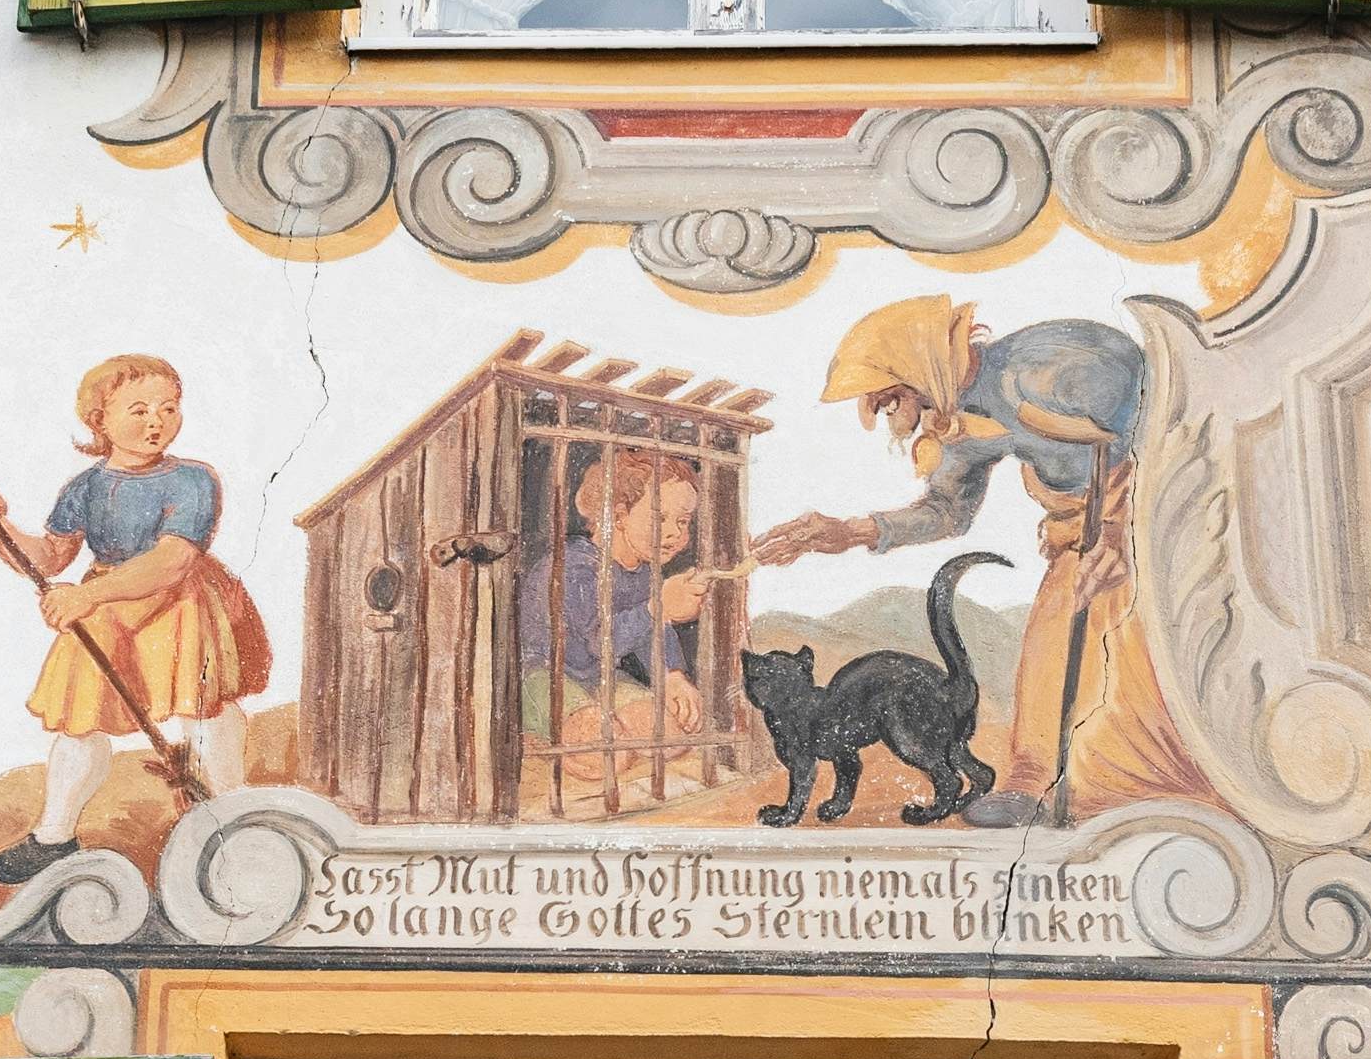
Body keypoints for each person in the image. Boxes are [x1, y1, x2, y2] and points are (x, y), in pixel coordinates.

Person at [747, 296, 1209, 825]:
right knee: (1049, 653)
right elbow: (948, 512)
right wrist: (849, 532)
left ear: (919, 367)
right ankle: (1033, 785)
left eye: (889, 399)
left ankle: (1138, 788)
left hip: (1157, 518)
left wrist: (1121, 534)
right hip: (1080, 538)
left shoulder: (1041, 372)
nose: (890, 417)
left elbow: (1159, 425)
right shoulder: (961, 422)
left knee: (1146, 659)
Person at [0, 353, 269, 884]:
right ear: (98, 420)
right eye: (140, 409)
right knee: (80, 716)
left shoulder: (193, 479)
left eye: (169, 409)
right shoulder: (84, 487)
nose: (157, 422)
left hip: (177, 603)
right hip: (103, 608)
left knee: (205, 710)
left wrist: (89, 599)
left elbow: (173, 559)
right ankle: (55, 834)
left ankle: (231, 820)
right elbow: (50, 559)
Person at [518, 450, 716, 809]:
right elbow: (601, 642)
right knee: (602, 755)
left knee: (670, 736)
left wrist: (671, 675)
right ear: (618, 515)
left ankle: (599, 723)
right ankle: (554, 733)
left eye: (684, 521)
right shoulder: (573, 567)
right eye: (661, 518)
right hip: (548, 675)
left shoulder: (642, 571)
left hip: (603, 676)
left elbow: (652, 632)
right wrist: (659, 606)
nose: (674, 532)